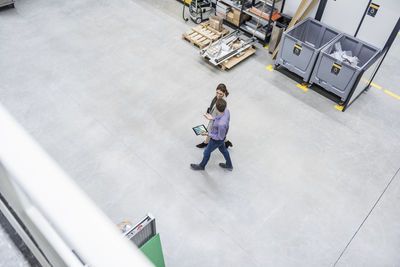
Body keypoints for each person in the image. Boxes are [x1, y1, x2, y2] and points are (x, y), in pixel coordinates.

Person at [191, 98, 233, 171]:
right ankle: (229, 165)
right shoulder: (226, 111)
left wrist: (208, 134)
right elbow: (221, 119)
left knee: (206, 151)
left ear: (216, 108)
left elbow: (219, 137)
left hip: (217, 139)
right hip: (222, 136)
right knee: (223, 150)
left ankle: (201, 166)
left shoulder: (221, 124)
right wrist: (212, 118)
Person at [196, 84, 233, 149]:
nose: (218, 95)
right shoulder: (218, 98)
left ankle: (205, 143)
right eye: (217, 92)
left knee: (210, 131)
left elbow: (222, 115)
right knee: (217, 132)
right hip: (213, 117)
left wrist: (213, 119)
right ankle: (227, 142)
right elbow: (213, 106)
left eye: (220, 94)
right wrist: (209, 110)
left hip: (215, 119)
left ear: (224, 93)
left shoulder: (223, 102)